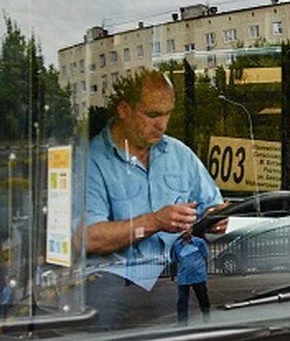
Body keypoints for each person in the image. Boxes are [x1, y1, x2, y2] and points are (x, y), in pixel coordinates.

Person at [85, 71, 226, 325]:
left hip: (176, 277)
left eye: (167, 114)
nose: (162, 124)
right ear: (124, 110)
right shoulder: (91, 160)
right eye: (152, 115)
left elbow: (212, 207)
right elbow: (88, 238)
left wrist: (216, 219)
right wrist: (154, 222)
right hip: (115, 283)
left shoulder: (179, 154)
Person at [170, 230, 210, 323]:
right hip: (184, 276)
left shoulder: (199, 242)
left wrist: (204, 271)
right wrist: (173, 274)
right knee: (182, 300)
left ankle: (206, 317)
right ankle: (182, 322)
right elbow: (175, 260)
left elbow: (205, 256)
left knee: (202, 297)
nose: (184, 232)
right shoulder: (177, 245)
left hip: (198, 275)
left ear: (191, 230)